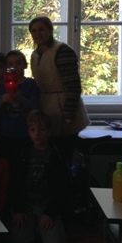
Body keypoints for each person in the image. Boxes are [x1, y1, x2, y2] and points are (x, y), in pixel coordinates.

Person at [28, 16, 90, 164]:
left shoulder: (62, 51)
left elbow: (74, 88)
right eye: (34, 30)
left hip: (64, 110)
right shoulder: (36, 55)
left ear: (50, 30)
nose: (38, 33)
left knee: (63, 158)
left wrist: (68, 118)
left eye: (41, 29)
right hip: (46, 109)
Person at [10, 110, 70, 243]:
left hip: (46, 204)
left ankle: (42, 229)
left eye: (41, 130)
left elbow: (62, 187)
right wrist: (18, 209)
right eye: (33, 130)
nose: (37, 134)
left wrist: (51, 213)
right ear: (28, 132)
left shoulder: (57, 154)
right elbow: (15, 182)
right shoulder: (23, 152)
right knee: (20, 241)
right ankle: (34, 229)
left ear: (49, 132)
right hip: (27, 204)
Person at [0, 50, 40, 163]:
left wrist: (22, 99)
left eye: (18, 63)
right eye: (10, 64)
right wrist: (3, 101)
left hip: (25, 133)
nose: (14, 67)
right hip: (6, 133)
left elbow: (36, 107)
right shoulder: (3, 86)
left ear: (25, 65)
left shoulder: (31, 84)